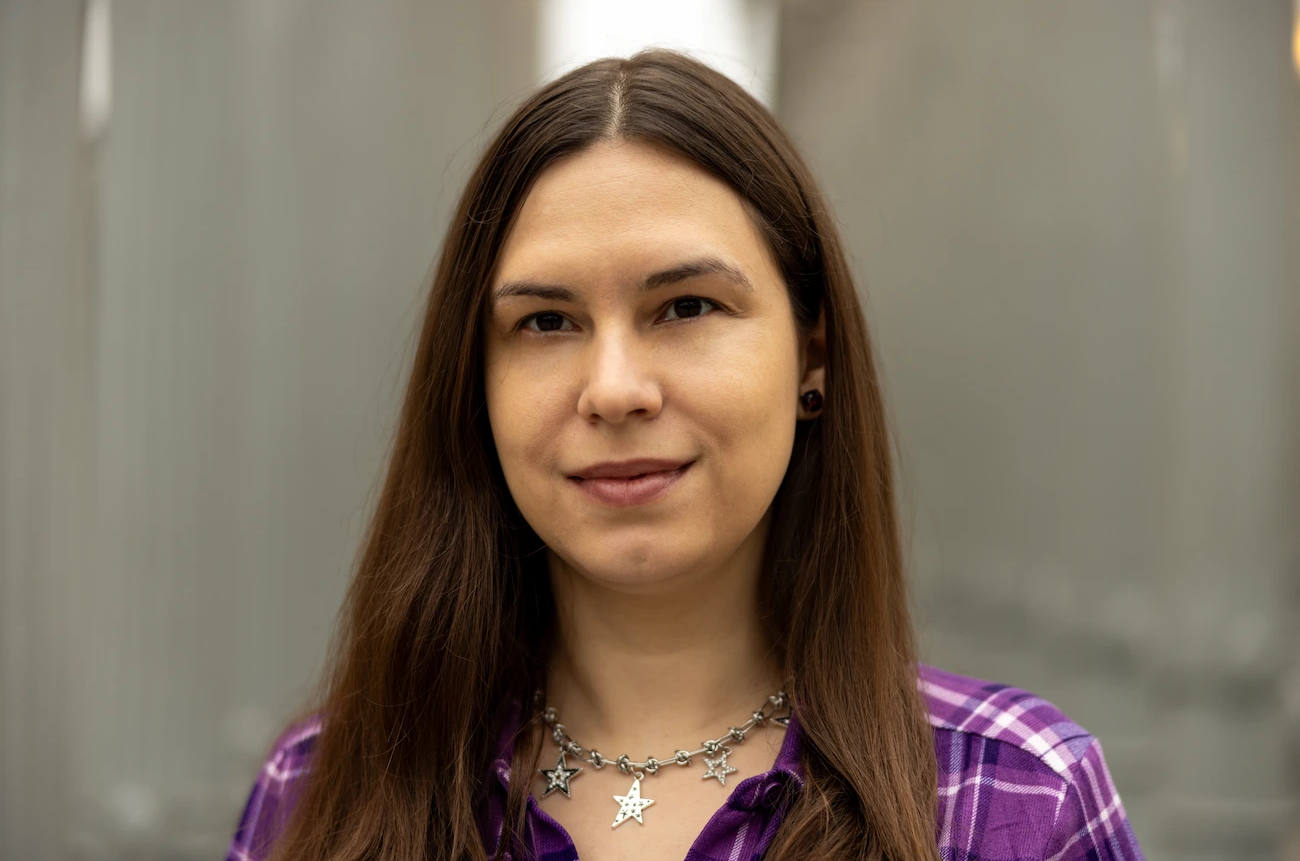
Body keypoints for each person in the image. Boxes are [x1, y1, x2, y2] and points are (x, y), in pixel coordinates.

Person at [225, 49, 1144, 861]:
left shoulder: (1015, 799)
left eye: (687, 307)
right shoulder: (316, 794)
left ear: (812, 356)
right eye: (546, 321)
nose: (614, 388)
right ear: (476, 380)